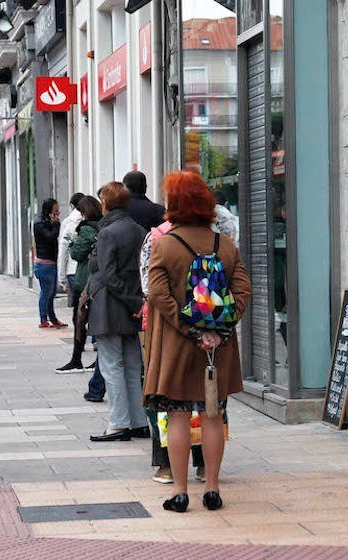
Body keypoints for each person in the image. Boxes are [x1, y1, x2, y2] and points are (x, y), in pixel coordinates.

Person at [142, 171, 250, 512]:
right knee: (212, 416)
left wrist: (189, 328)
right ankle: (213, 488)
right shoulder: (225, 244)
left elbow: (157, 292)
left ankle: (180, 491)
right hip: (217, 350)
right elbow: (243, 290)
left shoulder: (166, 244)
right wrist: (219, 329)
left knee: (177, 417)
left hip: (177, 347)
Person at [139, 217, 205, 485]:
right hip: (206, 325)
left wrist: (178, 318)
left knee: (165, 395)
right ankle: (203, 464)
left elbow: (148, 287)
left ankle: (166, 464)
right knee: (205, 397)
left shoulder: (155, 238)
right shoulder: (214, 238)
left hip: (163, 328)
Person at [88, 182, 150, 443]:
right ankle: (138, 421)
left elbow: (107, 275)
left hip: (109, 306)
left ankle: (118, 423)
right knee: (133, 366)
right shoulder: (139, 229)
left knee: (111, 365)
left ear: (107, 203)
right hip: (131, 304)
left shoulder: (108, 232)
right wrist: (137, 302)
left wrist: (131, 302)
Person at [56, 195, 98, 373]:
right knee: (95, 320)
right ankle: (92, 360)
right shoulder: (101, 225)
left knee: (79, 319)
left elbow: (76, 253)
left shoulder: (86, 228)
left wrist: (74, 243)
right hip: (97, 280)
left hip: (84, 279)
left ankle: (76, 359)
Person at [33, 198, 66, 329]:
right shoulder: (40, 223)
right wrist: (56, 225)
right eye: (56, 211)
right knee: (46, 293)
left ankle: (52, 318)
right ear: (49, 211)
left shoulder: (46, 221)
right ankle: (43, 319)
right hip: (44, 263)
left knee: (51, 293)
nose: (58, 214)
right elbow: (50, 237)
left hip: (50, 262)